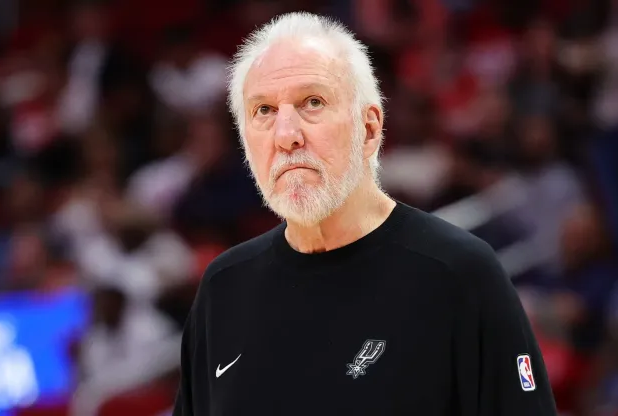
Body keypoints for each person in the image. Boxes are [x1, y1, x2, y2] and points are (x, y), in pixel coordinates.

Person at [172, 12, 557, 415]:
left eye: (313, 103)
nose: (286, 135)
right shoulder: (223, 289)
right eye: (263, 111)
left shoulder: (459, 274)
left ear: (369, 128)